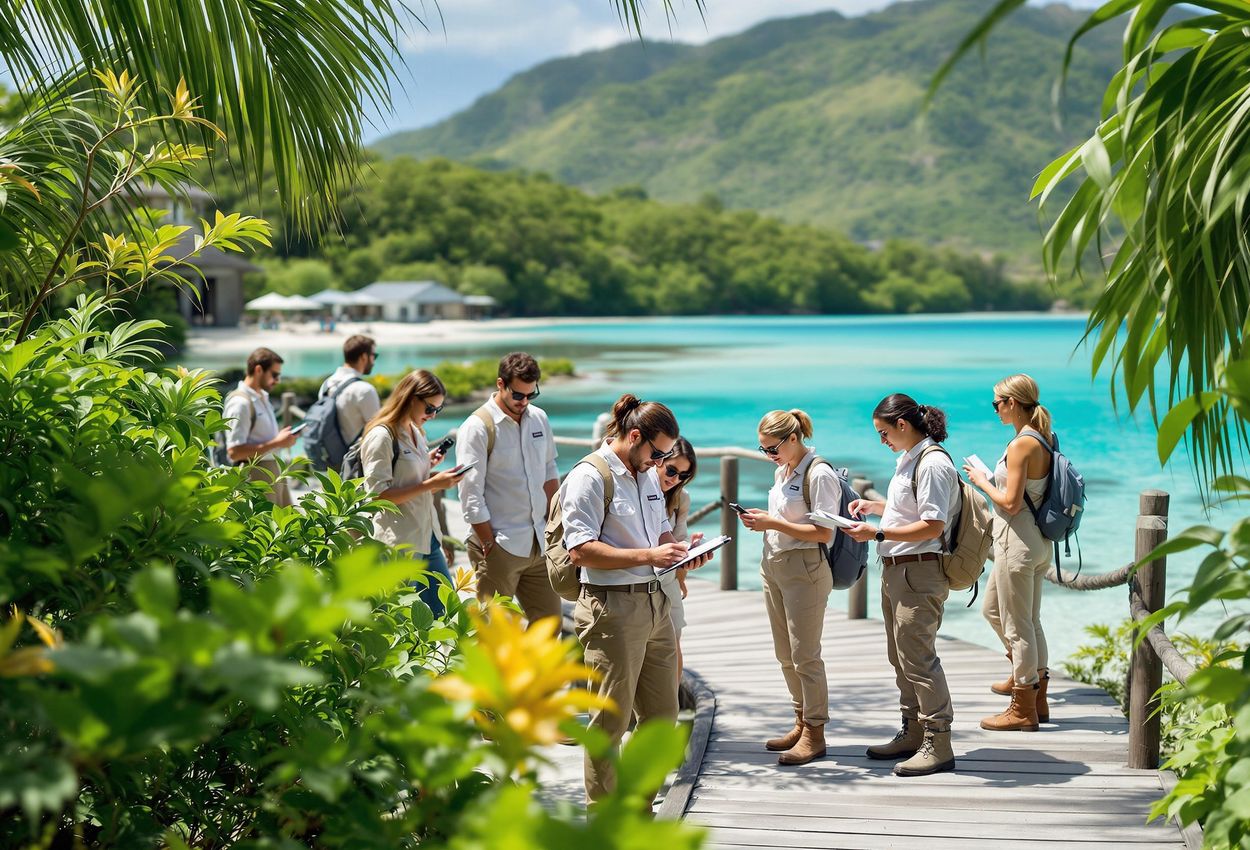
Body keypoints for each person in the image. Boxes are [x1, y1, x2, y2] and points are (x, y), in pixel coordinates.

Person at [561, 394, 710, 804]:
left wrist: (683, 553)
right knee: (609, 721)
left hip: (656, 603)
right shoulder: (589, 476)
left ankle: (637, 808)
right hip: (611, 608)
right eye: (657, 453)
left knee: (662, 718)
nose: (660, 462)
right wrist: (649, 555)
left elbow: (661, 534)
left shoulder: (646, 475)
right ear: (634, 436)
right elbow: (580, 550)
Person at [846, 394, 960, 777]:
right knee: (900, 657)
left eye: (884, 433)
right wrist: (875, 508)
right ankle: (913, 731)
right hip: (898, 569)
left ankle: (939, 742)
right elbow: (912, 511)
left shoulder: (933, 463)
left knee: (919, 659)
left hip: (919, 571)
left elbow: (933, 525)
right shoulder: (910, 459)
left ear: (902, 424)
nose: (882, 441)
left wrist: (877, 532)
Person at [738, 410, 839, 767]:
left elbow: (824, 532)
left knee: (805, 655)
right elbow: (785, 519)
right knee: (785, 654)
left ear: (793, 438)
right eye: (763, 449)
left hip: (805, 568)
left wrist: (772, 523)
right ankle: (800, 719)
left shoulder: (819, 473)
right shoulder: (782, 470)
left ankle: (815, 732)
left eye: (772, 448)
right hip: (774, 565)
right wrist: (765, 522)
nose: (769, 455)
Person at [963, 374, 1055, 731]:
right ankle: (1034, 688)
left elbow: (1012, 503)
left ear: (1012, 403)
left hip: (1017, 543)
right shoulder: (1043, 437)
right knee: (1005, 614)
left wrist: (982, 482)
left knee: (1019, 626)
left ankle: (1023, 706)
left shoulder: (1021, 445)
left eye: (997, 403)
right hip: (1037, 542)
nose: (996, 410)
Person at [456, 352, 561, 626]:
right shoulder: (477, 428)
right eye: (517, 395)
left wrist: (554, 524)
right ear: (500, 384)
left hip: (540, 543)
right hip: (499, 545)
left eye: (531, 394)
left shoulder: (539, 418)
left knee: (549, 627)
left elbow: (549, 469)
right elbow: (470, 493)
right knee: (494, 632)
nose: (524, 401)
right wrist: (488, 542)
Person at [360, 370, 463, 616]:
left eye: (438, 409)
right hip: (400, 541)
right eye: (429, 408)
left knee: (447, 614)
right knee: (400, 619)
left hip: (427, 535)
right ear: (410, 398)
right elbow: (377, 497)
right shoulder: (382, 436)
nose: (432, 415)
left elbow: (407, 478)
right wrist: (430, 484)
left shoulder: (416, 431)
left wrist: (428, 465)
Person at [224, 347, 296, 507]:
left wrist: (280, 440)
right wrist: (277, 443)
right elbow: (234, 452)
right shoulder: (240, 403)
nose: (277, 380)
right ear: (258, 370)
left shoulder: (262, 396)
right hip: (256, 475)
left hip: (271, 471)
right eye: (274, 375)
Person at [657, 437, 698, 676]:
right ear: (658, 460)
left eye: (683, 475)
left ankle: (672, 699)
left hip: (668, 580)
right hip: (638, 580)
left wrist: (693, 549)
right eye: (672, 470)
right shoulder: (637, 490)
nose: (675, 479)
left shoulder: (681, 497)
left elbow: (680, 538)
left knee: (674, 645)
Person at [318, 334, 382, 457]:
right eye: (374, 356)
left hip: (331, 456)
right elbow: (378, 431)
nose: (374, 361)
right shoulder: (364, 390)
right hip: (355, 460)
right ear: (364, 357)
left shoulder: (326, 385)